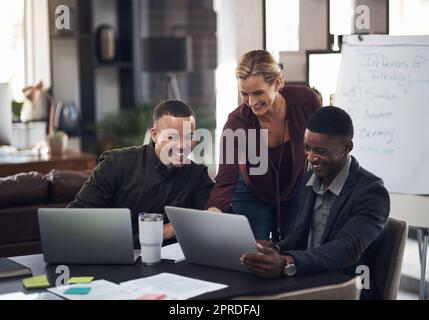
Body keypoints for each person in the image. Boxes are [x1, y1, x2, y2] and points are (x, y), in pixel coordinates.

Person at [240, 106, 390, 299]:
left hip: (349, 287)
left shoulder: (372, 192)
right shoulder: (310, 178)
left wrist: (287, 262)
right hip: (310, 281)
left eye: (320, 151)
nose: (311, 158)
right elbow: (300, 237)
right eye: (307, 148)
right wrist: (274, 249)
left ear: (347, 147)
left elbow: (345, 249)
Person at [206, 49, 321, 241]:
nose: (251, 102)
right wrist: (214, 209)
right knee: (253, 254)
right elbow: (225, 180)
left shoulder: (305, 102)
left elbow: (325, 143)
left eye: (258, 93)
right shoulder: (236, 123)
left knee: (294, 250)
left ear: (277, 83)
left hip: (294, 186)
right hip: (251, 190)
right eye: (244, 94)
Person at [68, 100, 214, 245]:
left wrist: (175, 227)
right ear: (155, 135)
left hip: (170, 261)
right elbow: (73, 218)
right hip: (114, 252)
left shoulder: (197, 175)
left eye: (189, 137)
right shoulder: (116, 164)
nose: (182, 146)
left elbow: (216, 217)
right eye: (172, 137)